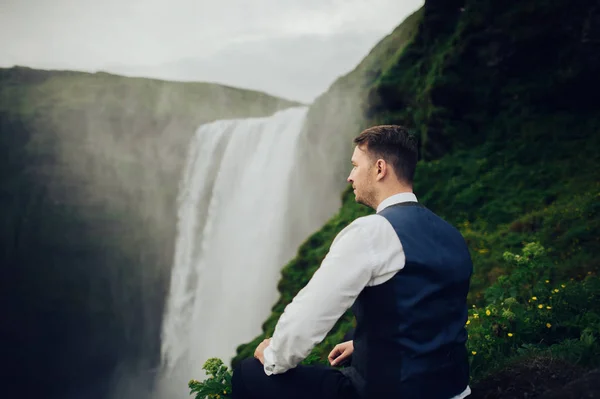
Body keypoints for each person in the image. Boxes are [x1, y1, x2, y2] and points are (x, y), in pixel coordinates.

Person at [232, 125, 473, 399]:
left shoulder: (371, 233)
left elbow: (309, 315)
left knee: (248, 373)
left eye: (355, 166)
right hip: (454, 390)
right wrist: (361, 347)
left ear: (380, 169)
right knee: (353, 333)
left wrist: (273, 355)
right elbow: (431, 310)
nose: (349, 177)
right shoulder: (451, 234)